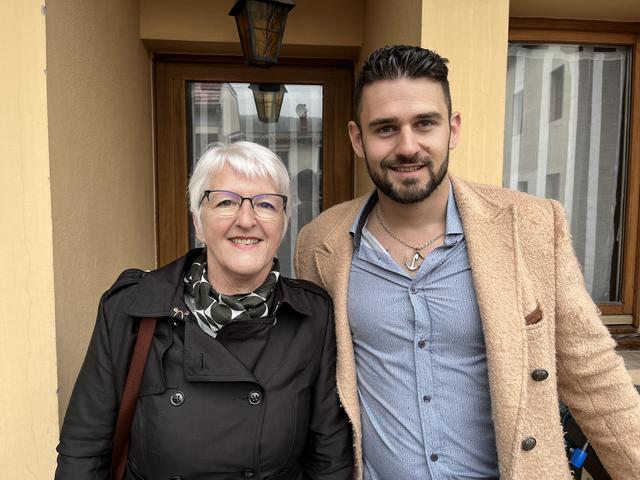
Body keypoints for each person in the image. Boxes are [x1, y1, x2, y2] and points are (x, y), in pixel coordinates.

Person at [294, 45, 640, 480]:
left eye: (425, 123)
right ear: (357, 138)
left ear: (452, 129)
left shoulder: (529, 225)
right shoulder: (320, 243)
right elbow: (314, 387)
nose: (407, 146)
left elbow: (592, 375)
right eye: (385, 128)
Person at [56, 141, 353, 479]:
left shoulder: (313, 316)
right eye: (226, 201)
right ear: (198, 221)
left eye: (266, 205)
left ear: (283, 224)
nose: (247, 220)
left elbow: (329, 457)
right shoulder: (132, 306)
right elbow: (84, 447)